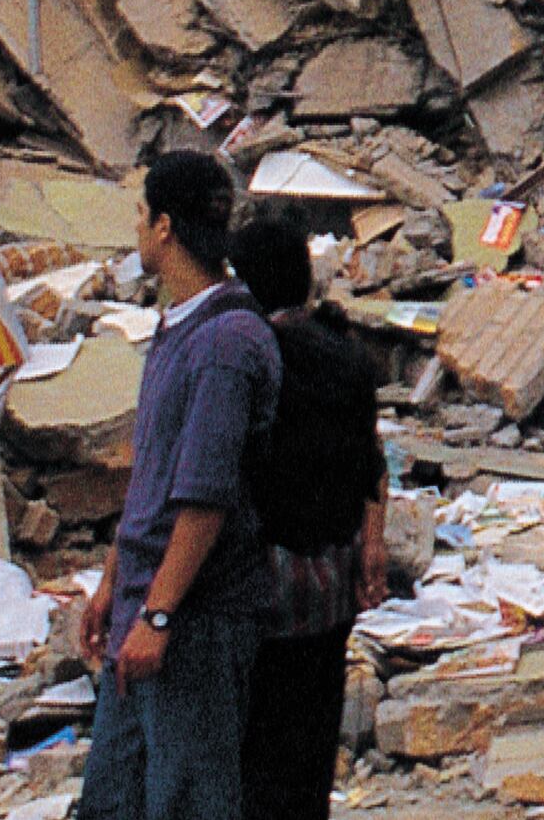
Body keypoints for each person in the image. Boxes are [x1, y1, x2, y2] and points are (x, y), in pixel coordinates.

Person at [77, 150, 282, 820]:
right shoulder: (178, 327)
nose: (136, 228)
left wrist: (159, 615)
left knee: (188, 800)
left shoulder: (225, 341)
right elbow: (153, 476)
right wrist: (112, 583)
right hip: (143, 605)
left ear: (164, 227)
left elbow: (204, 498)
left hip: (196, 620)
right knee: (113, 800)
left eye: (141, 214)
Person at [228, 214, 388, 820]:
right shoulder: (345, 353)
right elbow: (373, 458)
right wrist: (372, 543)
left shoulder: (253, 357)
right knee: (311, 743)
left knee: (257, 754)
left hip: (266, 584)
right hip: (332, 582)